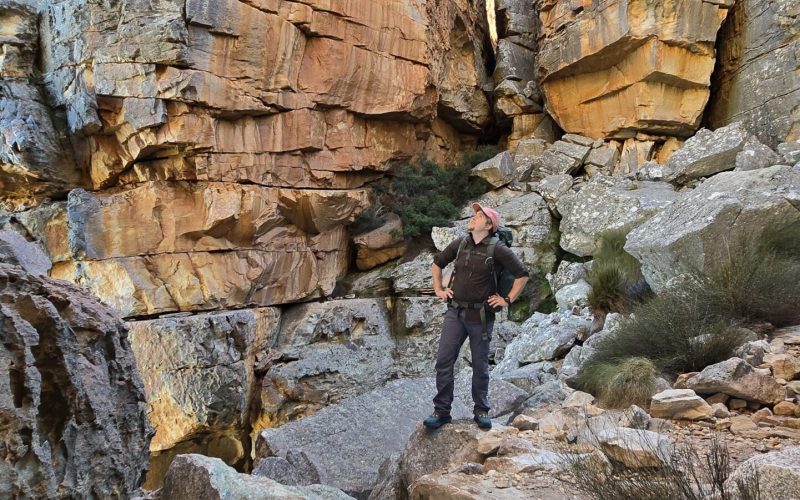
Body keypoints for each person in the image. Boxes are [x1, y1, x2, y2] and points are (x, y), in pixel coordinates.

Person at [423, 203, 529, 430]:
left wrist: (507, 300)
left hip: (480, 316)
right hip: (455, 312)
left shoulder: (498, 249)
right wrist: (439, 289)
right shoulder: (460, 243)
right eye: (474, 214)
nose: (473, 217)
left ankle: (481, 410)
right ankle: (442, 411)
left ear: (489, 225)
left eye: (479, 216)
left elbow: (522, 275)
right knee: (443, 362)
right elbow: (437, 263)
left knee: (480, 365)